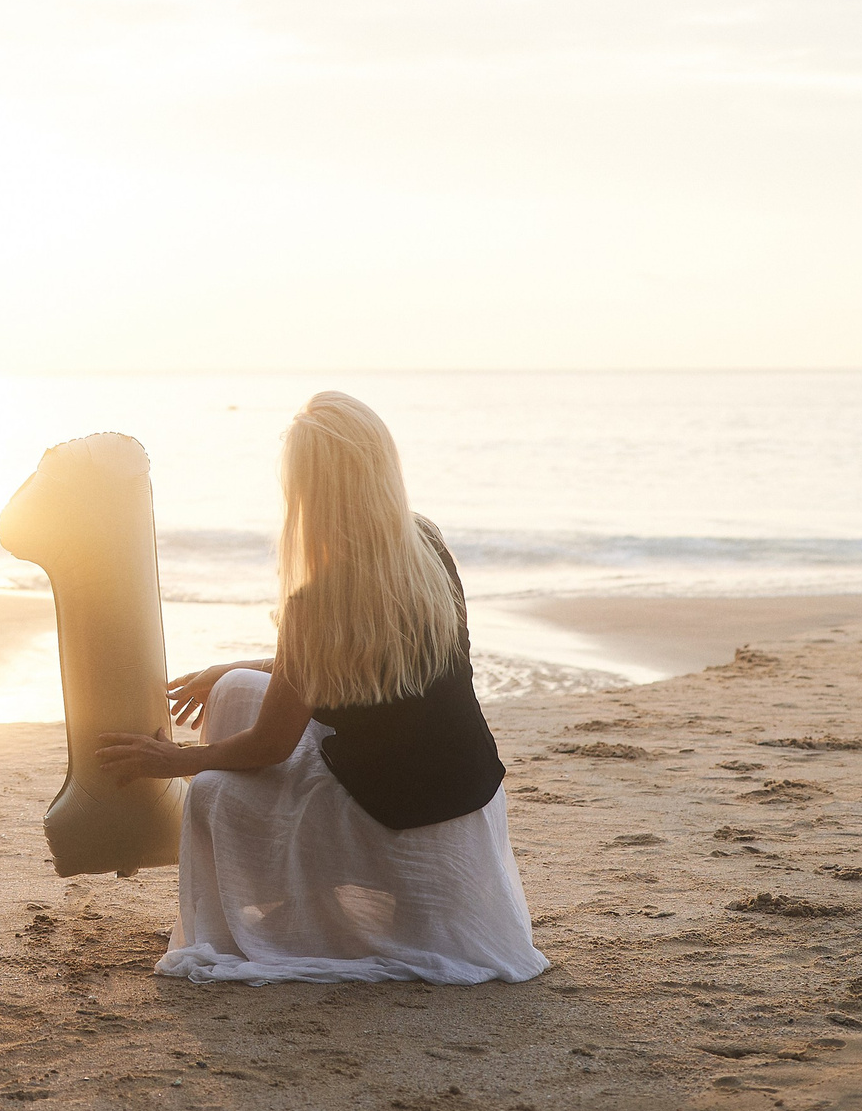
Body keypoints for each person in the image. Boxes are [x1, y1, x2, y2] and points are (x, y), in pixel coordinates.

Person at [95, 391, 548, 986]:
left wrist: (172, 759)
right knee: (234, 688)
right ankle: (306, 898)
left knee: (210, 793)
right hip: (463, 801)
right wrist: (239, 665)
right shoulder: (424, 545)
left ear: (308, 491)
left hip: (402, 820)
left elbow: (270, 746)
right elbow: (357, 657)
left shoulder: (319, 602)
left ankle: (268, 919)